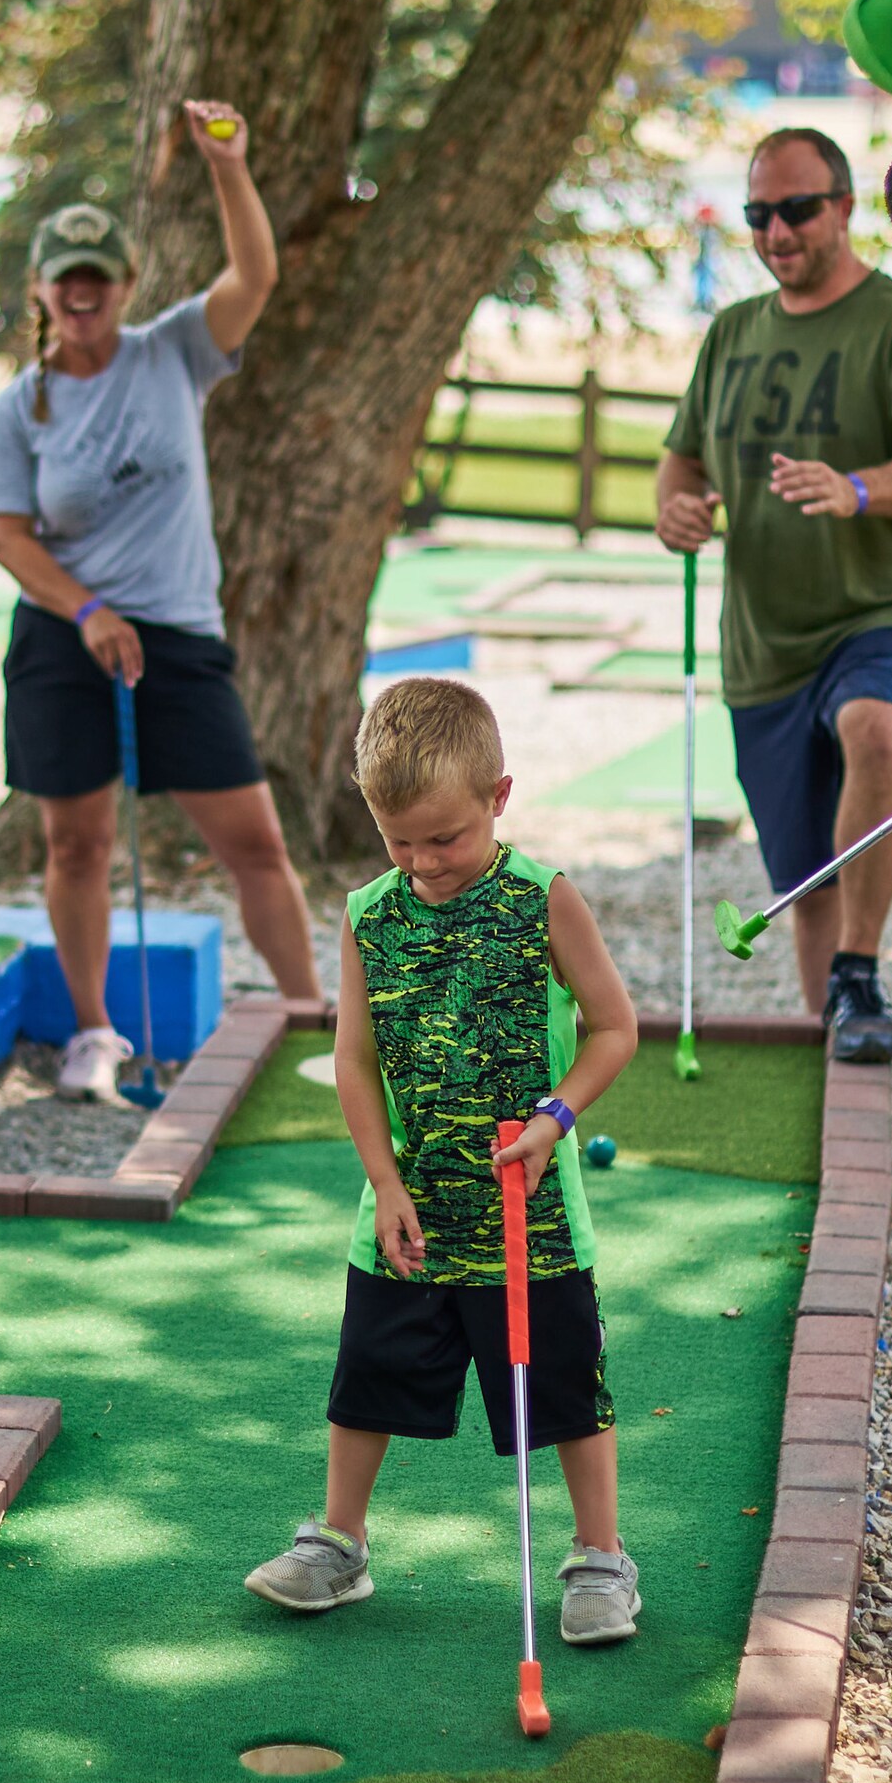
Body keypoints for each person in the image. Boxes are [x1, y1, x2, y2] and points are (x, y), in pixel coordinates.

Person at [244, 678, 643, 1647]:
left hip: (529, 1212)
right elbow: (353, 1055)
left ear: (499, 796)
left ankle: (601, 1557)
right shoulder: (369, 914)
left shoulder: (540, 899)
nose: (423, 862)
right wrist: (383, 1182)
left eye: (445, 838)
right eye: (400, 841)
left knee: (565, 1391)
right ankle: (340, 1543)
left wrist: (555, 1115)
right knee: (367, 1377)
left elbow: (614, 1027)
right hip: (410, 1210)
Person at [0, 102, 318, 1102]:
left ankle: (309, 1021)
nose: (84, 294)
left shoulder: (173, 351)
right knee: (75, 843)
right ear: (42, 288)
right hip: (63, 641)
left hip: (178, 637)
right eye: (66, 280)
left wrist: (229, 166)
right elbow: (9, 537)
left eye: (101, 278)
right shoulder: (22, 405)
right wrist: (86, 611)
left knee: (254, 841)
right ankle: (93, 1034)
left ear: (125, 285)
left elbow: (255, 275)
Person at [654, 126, 892, 1061]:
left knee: (876, 727)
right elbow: (681, 459)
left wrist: (859, 488)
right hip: (765, 643)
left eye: (795, 209)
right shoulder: (732, 333)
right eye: (758, 214)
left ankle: (860, 972)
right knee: (804, 885)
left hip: (891, 608)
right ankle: (830, 1048)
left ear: (843, 206)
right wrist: (676, 509)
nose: (775, 231)